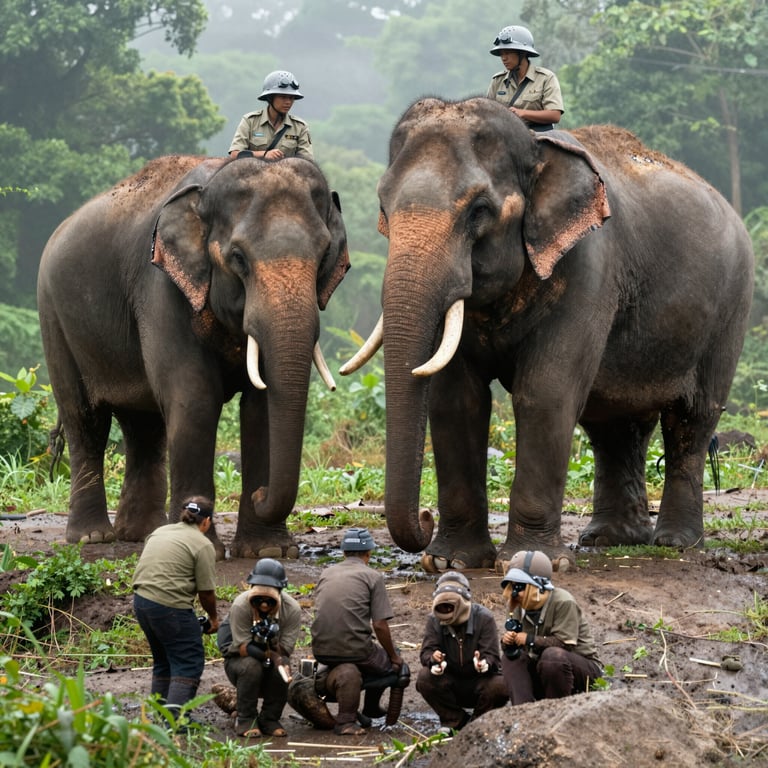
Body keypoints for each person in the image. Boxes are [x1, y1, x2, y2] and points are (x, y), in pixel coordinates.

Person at [309, 527, 405, 736]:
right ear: (368, 554)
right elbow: (379, 625)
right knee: (395, 666)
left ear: (344, 553)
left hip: (320, 650)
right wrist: (394, 656)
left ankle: (359, 711)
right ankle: (370, 706)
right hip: (357, 650)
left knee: (351, 668)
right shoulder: (373, 576)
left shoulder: (326, 573)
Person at [132, 496, 219, 725]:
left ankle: (159, 719)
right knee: (188, 661)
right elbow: (206, 592)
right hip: (169, 608)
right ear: (207, 521)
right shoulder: (202, 544)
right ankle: (176, 723)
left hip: (141, 602)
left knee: (163, 661)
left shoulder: (160, 532)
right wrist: (213, 618)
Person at [500, 550, 603, 704]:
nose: (515, 593)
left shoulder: (563, 602)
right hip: (544, 671)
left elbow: (565, 644)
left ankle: (556, 710)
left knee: (553, 657)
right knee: (511, 658)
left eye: (520, 587)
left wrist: (529, 639)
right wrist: (507, 641)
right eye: (513, 586)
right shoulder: (517, 605)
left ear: (539, 586)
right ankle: (522, 711)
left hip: (580, 670)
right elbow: (516, 647)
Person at [217, 558, 303, 738]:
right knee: (251, 666)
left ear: (280, 593)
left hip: (271, 657)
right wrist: (270, 655)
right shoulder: (241, 605)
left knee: (283, 667)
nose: (264, 605)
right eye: (259, 600)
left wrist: (276, 652)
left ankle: (269, 718)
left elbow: (285, 650)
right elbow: (243, 647)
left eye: (269, 601)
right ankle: (246, 718)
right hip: (239, 660)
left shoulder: (292, 609)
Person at [416, 571, 508, 735]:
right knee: (424, 678)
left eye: (449, 606)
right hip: (450, 681)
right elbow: (426, 652)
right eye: (442, 607)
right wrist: (433, 660)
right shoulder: (434, 619)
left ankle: (478, 721)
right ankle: (454, 720)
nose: (445, 611)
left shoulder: (484, 618)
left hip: (479, 682)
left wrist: (484, 664)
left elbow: (493, 657)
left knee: (501, 685)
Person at [486, 25, 564, 132]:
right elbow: (487, 113)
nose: (504, 58)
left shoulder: (546, 78)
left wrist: (522, 113)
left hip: (539, 135)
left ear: (522, 53)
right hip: (506, 135)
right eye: (501, 54)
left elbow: (555, 115)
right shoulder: (498, 80)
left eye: (508, 53)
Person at [228, 70, 313, 161]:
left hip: (286, 170)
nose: (288, 102)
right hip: (254, 170)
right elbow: (235, 154)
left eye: (291, 98)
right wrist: (264, 154)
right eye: (283, 97)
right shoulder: (250, 121)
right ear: (270, 98)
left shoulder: (300, 127)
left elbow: (307, 161)